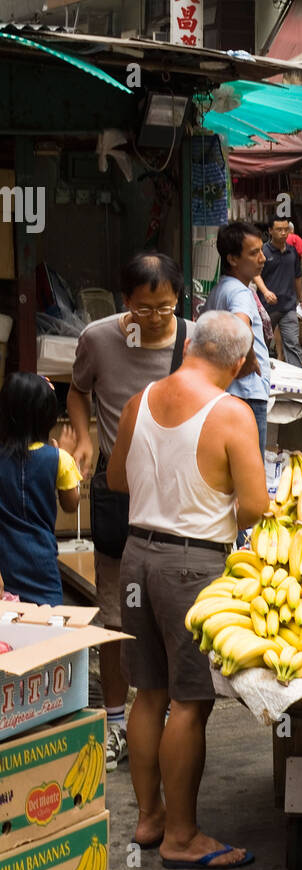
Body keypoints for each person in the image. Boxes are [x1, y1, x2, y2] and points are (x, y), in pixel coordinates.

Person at [106, 310, 269, 869]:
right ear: (241, 362)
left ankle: (149, 819)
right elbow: (253, 506)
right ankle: (181, 837)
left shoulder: (140, 400)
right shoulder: (232, 413)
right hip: (191, 567)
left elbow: (116, 480)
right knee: (190, 703)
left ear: (191, 344)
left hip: (135, 558)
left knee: (147, 694)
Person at [68, 252, 192, 772]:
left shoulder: (192, 338)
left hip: (179, 498)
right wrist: (83, 438)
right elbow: (77, 390)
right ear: (126, 303)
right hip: (119, 495)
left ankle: (159, 710)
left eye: (166, 307)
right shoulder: (98, 338)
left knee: (172, 612)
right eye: (146, 309)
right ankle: (116, 722)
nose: (158, 318)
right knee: (117, 615)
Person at [0, 373, 81, 605]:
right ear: (48, 417)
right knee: (49, 624)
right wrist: (66, 456)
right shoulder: (59, 459)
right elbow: (71, 504)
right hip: (42, 564)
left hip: (5, 563)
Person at [203, 222, 270, 455]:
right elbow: (240, 327)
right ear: (232, 259)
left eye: (261, 250)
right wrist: (249, 358)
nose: (262, 258)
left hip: (227, 393)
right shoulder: (240, 292)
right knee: (250, 475)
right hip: (247, 395)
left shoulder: (220, 289)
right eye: (254, 253)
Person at [252, 216, 302, 369]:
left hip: (288, 306)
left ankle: (297, 378)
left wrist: (301, 299)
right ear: (270, 231)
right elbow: (255, 274)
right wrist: (266, 292)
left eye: (286, 229)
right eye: (279, 229)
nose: (283, 233)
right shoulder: (263, 252)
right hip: (267, 308)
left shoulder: (292, 252)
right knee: (262, 343)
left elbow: (297, 277)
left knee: (293, 344)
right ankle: (260, 373)